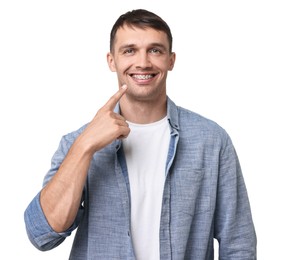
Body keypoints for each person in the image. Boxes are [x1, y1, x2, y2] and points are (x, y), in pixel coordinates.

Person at [24, 9, 257, 259]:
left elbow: (238, 243)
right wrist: (85, 147)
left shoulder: (211, 141)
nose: (143, 62)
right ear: (111, 60)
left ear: (171, 60)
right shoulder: (78, 142)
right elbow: (43, 235)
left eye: (155, 50)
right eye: (129, 50)